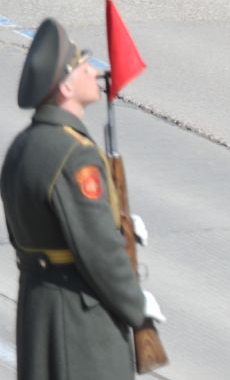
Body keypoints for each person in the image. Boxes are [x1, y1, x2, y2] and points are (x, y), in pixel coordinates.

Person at [3, 19, 163, 380]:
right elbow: (100, 250)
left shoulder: (23, 147)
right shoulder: (74, 154)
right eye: (82, 66)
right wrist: (136, 305)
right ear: (64, 86)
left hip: (38, 307)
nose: (94, 71)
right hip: (79, 316)